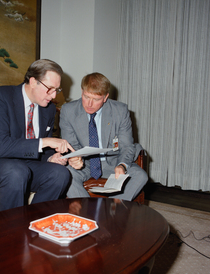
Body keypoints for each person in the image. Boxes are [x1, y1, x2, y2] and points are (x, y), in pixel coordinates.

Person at [0, 59, 75, 211]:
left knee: (60, 174)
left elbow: (40, 150)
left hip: (25, 164)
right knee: (17, 171)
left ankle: (34, 225)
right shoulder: (2, 96)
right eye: (50, 89)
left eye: (56, 90)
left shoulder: (48, 109)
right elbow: (0, 145)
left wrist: (52, 157)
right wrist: (44, 141)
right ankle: (12, 232)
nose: (53, 96)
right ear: (33, 82)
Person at [60, 72, 148, 201]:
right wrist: (75, 158)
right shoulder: (68, 110)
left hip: (113, 162)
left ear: (105, 97)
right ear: (82, 91)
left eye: (96, 99)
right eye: (86, 96)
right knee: (64, 174)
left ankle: (113, 212)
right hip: (84, 163)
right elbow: (72, 145)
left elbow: (126, 145)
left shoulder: (120, 110)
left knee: (140, 175)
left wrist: (122, 165)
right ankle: (89, 214)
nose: (89, 104)